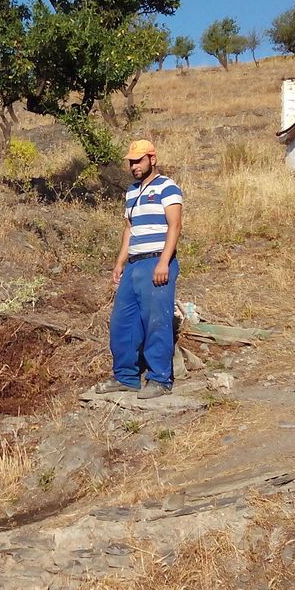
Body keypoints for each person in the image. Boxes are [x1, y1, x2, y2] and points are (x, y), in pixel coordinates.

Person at [96, 138, 184, 399]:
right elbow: (129, 229)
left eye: (139, 160)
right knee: (123, 322)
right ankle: (125, 376)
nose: (134, 166)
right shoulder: (132, 191)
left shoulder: (168, 187)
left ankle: (159, 379)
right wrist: (119, 262)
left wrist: (164, 262)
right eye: (131, 162)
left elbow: (175, 226)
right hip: (133, 264)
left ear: (152, 159)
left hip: (156, 262)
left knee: (156, 321)